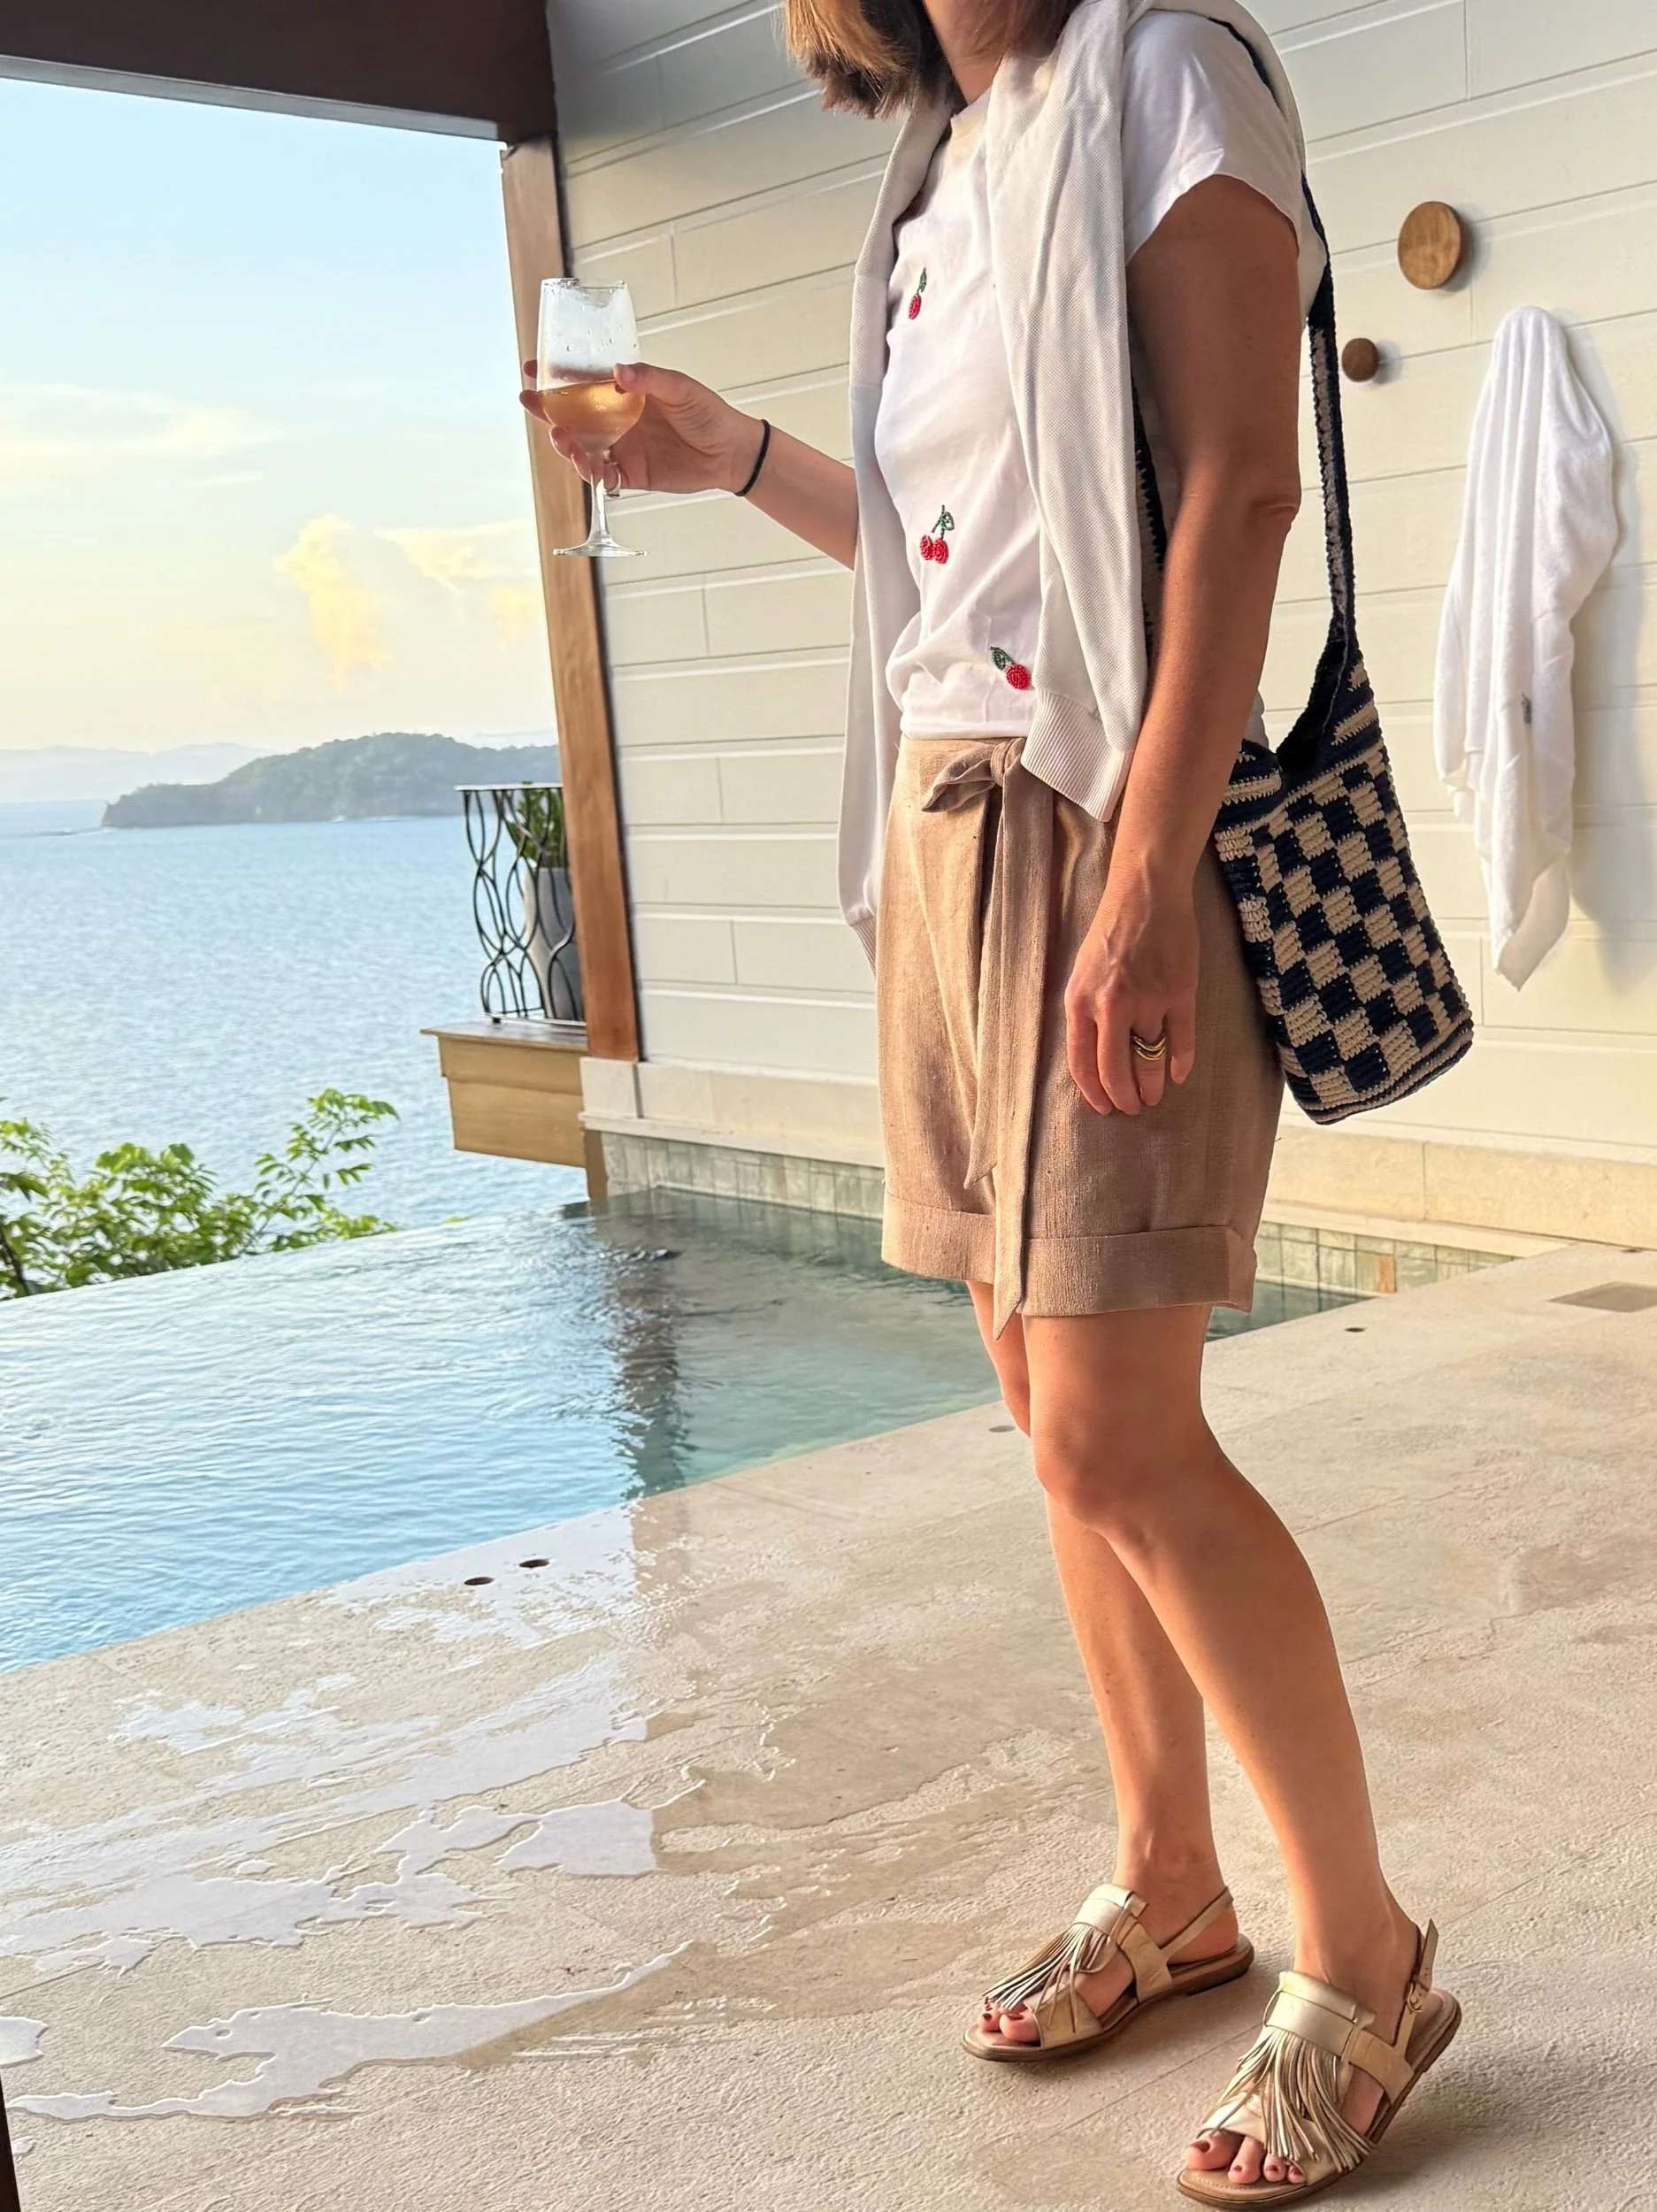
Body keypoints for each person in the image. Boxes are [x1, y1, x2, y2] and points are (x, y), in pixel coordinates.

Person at [525, 2, 1458, 2199]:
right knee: (1052, 1418)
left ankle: (1368, 1952)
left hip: (1106, 819)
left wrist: (1141, 880)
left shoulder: (1165, 70)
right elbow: (959, 558)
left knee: (1123, 1428)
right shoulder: (943, 153)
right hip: (940, 821)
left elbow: (1238, 489)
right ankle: (1175, 1880)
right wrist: (736, 454)